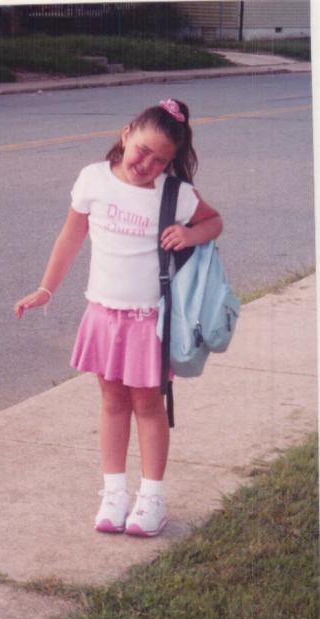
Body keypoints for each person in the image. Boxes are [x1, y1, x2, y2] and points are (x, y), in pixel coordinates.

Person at [14, 98, 223, 537]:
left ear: (171, 163)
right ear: (126, 133)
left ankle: (152, 498)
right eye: (142, 150)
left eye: (160, 159)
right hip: (103, 313)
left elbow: (214, 222)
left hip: (149, 320)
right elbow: (71, 235)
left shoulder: (176, 194)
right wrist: (45, 288)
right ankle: (114, 494)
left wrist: (189, 233)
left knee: (149, 406)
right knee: (111, 403)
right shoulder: (93, 179)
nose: (146, 163)